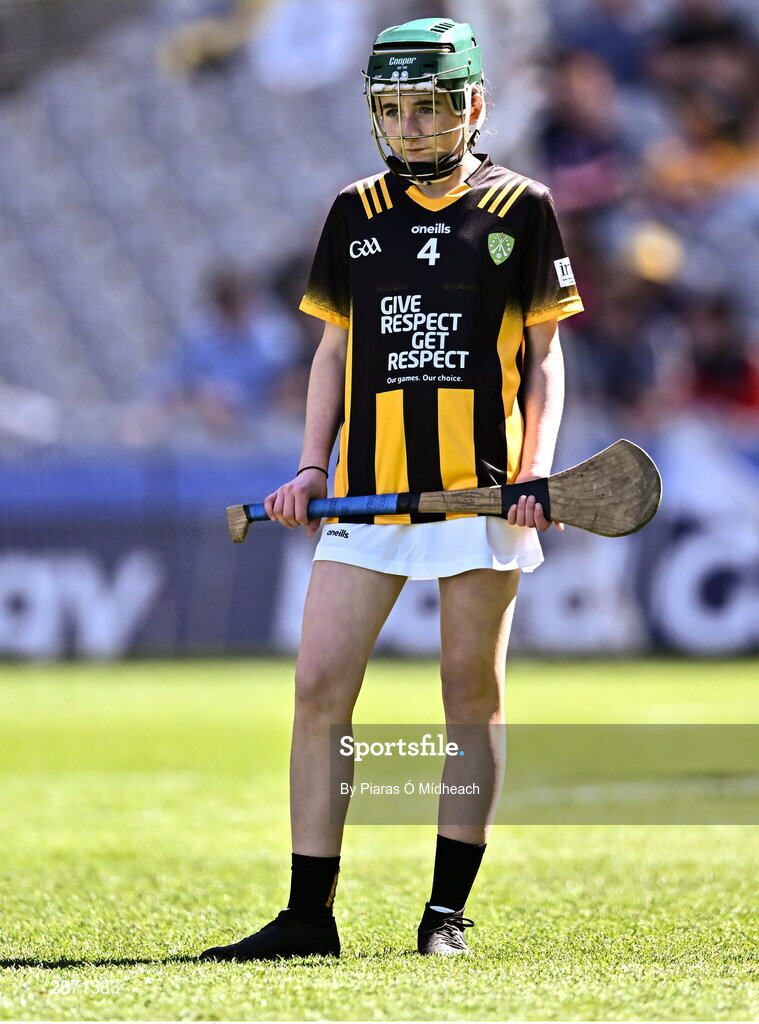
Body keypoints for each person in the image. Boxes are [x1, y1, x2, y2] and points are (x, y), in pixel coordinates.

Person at [200, 16, 583, 962]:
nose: (411, 128)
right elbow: (335, 350)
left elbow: (543, 361)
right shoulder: (352, 212)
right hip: (367, 494)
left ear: (473, 106)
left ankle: (443, 915)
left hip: (479, 493)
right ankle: (306, 918)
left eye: (429, 108)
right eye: (393, 110)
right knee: (319, 686)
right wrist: (308, 466)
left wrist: (534, 467)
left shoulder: (521, 207)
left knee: (468, 695)